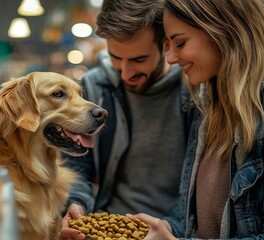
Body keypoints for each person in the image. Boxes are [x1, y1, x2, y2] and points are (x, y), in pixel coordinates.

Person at [129, 0, 264, 239]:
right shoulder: (210, 101)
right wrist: (161, 230)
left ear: (223, 30)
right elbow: (193, 219)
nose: (170, 58)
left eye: (180, 42)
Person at [59, 0, 195, 239]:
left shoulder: (194, 89)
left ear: (165, 45)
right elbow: (77, 166)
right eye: (115, 57)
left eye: (138, 60)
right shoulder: (94, 87)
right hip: (105, 227)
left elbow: (196, 192)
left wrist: (170, 231)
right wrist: (76, 202)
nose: (125, 72)